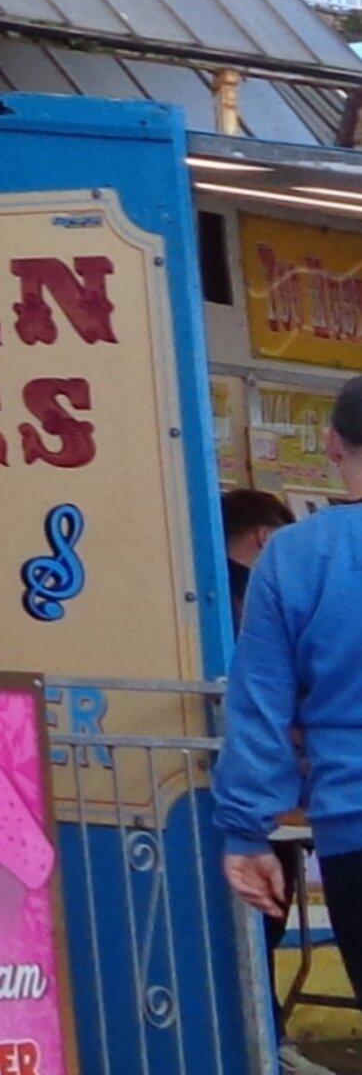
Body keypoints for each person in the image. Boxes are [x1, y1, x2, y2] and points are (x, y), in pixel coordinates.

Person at [225, 379, 362, 1031]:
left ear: (333, 444)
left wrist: (246, 830)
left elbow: (259, 703)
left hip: (353, 829)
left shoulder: (295, 556)